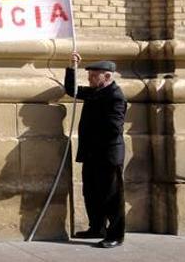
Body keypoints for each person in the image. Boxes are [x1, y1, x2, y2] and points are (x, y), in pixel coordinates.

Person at [65, 52, 126, 248]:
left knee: (111, 197)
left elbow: (114, 128)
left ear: (107, 76)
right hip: (92, 154)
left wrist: (92, 129)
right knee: (90, 192)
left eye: (94, 76)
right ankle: (97, 227)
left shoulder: (115, 97)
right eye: (89, 76)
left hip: (108, 155)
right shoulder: (95, 91)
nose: (90, 80)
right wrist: (72, 66)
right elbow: (71, 90)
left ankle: (115, 235)